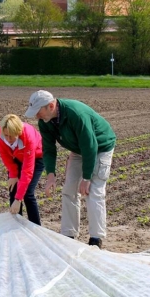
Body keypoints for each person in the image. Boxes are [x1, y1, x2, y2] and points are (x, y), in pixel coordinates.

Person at [24, 90, 116, 248]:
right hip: (78, 149)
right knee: (69, 189)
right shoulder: (45, 121)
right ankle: (69, 235)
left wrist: (86, 178)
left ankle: (96, 239)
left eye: (38, 112)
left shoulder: (75, 114)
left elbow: (90, 145)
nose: (36, 116)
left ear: (51, 106)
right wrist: (51, 176)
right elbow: (48, 148)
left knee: (93, 191)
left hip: (100, 148)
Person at [0, 114, 44, 225]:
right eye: (6, 135)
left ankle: (36, 227)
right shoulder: (0, 132)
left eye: (11, 136)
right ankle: (16, 227)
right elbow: (4, 154)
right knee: (13, 189)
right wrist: (13, 174)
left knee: (27, 194)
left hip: (37, 157)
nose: (8, 139)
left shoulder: (28, 136)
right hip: (17, 156)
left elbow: (27, 171)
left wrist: (18, 200)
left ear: (18, 132)